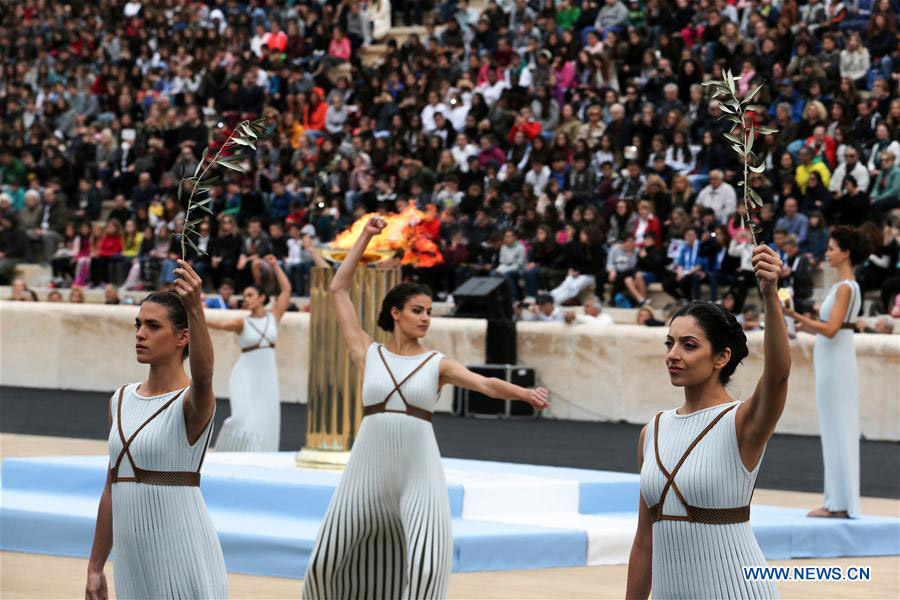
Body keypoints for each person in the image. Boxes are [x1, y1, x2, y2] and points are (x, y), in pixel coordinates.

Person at [303, 217, 549, 599]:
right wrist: (366, 237)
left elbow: (485, 384)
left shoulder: (437, 363)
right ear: (396, 313)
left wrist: (524, 392)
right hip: (366, 468)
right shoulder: (367, 353)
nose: (425, 318)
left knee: (424, 567)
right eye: (417, 310)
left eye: (429, 312)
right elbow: (338, 288)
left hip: (419, 470)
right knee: (325, 562)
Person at [626, 244, 790, 599]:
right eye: (670, 343)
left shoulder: (742, 423)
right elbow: (644, 543)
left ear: (722, 357)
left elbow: (777, 376)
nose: (673, 354)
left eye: (688, 345)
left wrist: (770, 296)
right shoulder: (651, 432)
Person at [85, 261, 226, 600]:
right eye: (138, 324)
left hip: (184, 551)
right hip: (133, 561)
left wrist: (195, 308)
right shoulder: (119, 400)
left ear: (182, 337)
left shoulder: (193, 402)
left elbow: (205, 377)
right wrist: (95, 565)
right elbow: (111, 488)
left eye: (152, 325)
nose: (140, 333)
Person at [784, 226, 868, 518]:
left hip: (837, 364)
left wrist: (795, 316)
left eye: (832, 248)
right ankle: (837, 501)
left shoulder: (846, 287)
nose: (827, 253)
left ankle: (839, 504)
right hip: (832, 362)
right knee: (834, 429)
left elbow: (832, 330)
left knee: (838, 429)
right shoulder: (842, 287)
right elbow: (831, 327)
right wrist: (801, 323)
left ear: (845, 253)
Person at [207, 255, 291, 452]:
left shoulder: (274, 317)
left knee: (265, 415)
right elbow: (219, 324)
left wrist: (275, 266)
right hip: (245, 373)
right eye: (244, 296)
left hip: (267, 375)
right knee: (242, 415)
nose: (246, 299)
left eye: (250, 295)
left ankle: (260, 454)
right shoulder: (242, 322)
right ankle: (227, 452)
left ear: (262, 298)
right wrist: (194, 315)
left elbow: (286, 290)